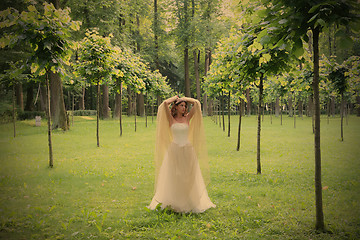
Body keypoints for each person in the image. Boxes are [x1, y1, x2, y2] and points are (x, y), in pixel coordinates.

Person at [148, 95, 216, 213]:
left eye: (185, 106)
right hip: (174, 151)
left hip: (187, 150)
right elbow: (164, 104)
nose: (184, 108)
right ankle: (174, 202)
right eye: (181, 106)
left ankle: (189, 202)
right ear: (176, 107)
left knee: (188, 176)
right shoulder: (171, 119)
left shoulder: (187, 118)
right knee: (174, 176)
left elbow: (197, 103)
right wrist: (175, 98)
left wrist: (185, 98)